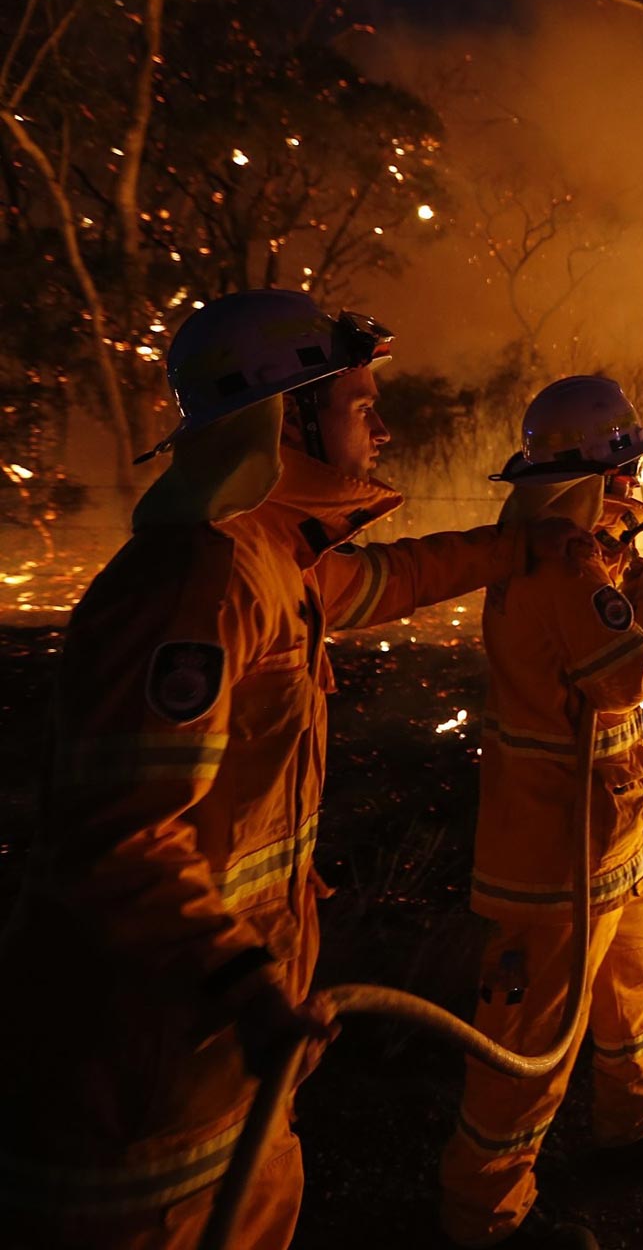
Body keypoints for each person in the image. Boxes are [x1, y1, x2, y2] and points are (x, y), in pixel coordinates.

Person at [0, 290, 587, 1249]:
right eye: (360, 404)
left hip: (223, 1055)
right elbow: (116, 838)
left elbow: (396, 579)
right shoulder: (201, 582)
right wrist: (242, 980)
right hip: (141, 1072)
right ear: (287, 415)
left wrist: (525, 544)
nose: (383, 425)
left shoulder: (273, 556)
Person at [439, 375, 643, 1250]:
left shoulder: (582, 549)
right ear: (594, 474)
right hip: (551, 844)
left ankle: (637, 1124)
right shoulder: (561, 560)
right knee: (531, 1035)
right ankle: (486, 1215)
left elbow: (637, 583)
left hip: (610, 826)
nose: (638, 482)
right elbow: (625, 667)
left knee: (635, 985)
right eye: (627, 465)